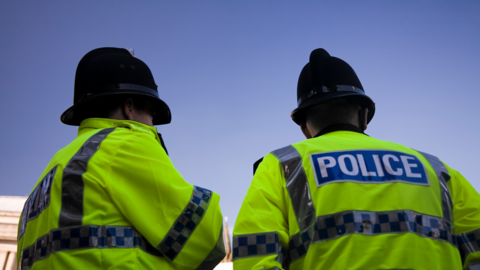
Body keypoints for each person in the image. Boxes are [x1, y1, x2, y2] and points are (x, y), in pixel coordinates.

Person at [232, 48, 480, 270]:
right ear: (363, 116)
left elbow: (255, 255)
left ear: (305, 129)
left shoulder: (282, 165)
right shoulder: (436, 169)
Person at [17, 47, 225, 270]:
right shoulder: (124, 144)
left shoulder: (49, 175)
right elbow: (206, 240)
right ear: (130, 108)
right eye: (152, 115)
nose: (152, 125)